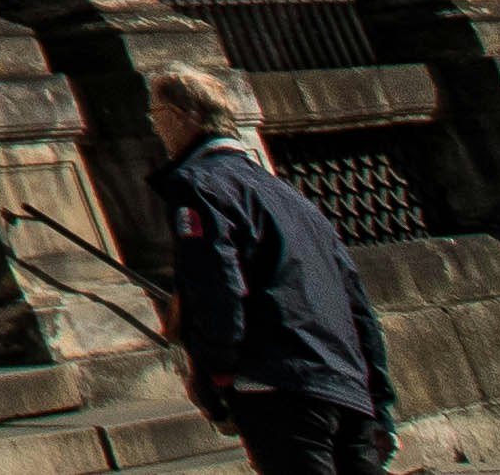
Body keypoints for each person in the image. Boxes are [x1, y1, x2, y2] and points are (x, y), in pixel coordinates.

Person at [146, 66, 395, 475]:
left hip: (277, 382)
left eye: (156, 114)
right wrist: (378, 398)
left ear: (178, 115)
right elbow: (356, 303)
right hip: (344, 381)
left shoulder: (198, 186)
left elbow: (217, 286)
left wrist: (215, 377)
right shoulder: (287, 194)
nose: (156, 127)